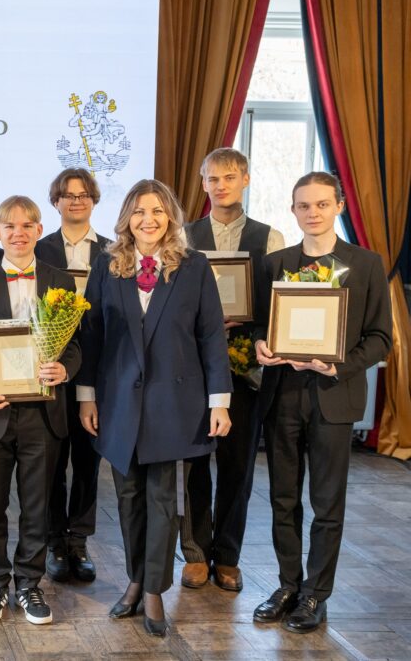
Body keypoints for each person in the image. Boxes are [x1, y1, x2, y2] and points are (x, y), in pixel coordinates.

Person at [77, 179, 232, 637]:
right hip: (119, 402)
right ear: (127, 217)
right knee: (128, 499)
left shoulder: (194, 266)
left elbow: (211, 336)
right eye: (140, 211)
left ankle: (153, 592)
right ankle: (135, 579)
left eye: (158, 211)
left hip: (173, 403)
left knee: (163, 500)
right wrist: (87, 396)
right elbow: (92, 334)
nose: (149, 220)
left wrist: (219, 402)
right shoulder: (107, 265)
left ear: (171, 218)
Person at [251, 172, 391, 634]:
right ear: (292, 210)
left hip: (334, 395)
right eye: (303, 205)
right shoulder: (275, 263)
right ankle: (287, 586)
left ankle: (315, 594)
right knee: (282, 499)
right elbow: (259, 325)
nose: (313, 212)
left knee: (327, 503)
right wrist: (261, 345)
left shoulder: (366, 264)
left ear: (339, 206)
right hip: (283, 397)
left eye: (322, 204)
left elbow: (380, 338)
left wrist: (339, 366)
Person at [0, 195, 81, 626]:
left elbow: (76, 345)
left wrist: (65, 368)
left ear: (39, 230)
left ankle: (28, 584)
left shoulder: (62, 281)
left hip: (43, 415)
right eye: (10, 226)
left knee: (37, 507)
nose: (18, 233)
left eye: (27, 226)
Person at [179, 148, 286, 592]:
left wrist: (253, 329)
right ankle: (195, 554)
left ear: (245, 179)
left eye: (228, 177)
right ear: (203, 184)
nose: (220, 185)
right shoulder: (183, 236)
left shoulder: (270, 237)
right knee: (192, 462)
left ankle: (227, 555)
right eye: (212, 178)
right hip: (193, 366)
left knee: (237, 465)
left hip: (247, 367)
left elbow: (279, 306)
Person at [35, 167, 111, 584]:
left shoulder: (115, 252)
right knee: (50, 460)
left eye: (83, 195)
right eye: (68, 195)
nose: (76, 201)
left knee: (87, 459)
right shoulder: (39, 249)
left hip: (96, 371)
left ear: (94, 200)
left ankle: (78, 540)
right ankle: (54, 542)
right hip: (50, 370)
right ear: (56, 202)